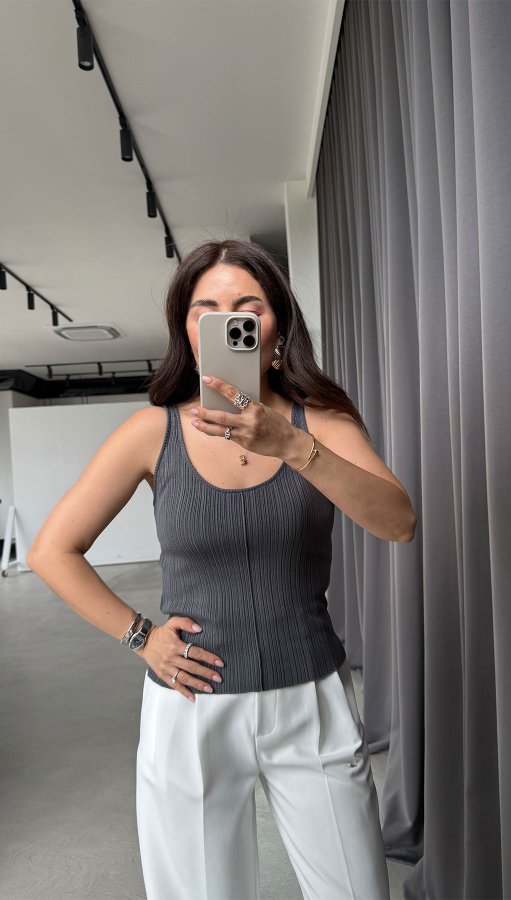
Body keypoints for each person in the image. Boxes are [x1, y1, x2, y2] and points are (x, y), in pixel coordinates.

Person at [27, 238, 417, 900]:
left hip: (310, 698)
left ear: (277, 327)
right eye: (205, 308)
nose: (226, 319)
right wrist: (141, 637)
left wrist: (293, 447)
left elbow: (398, 522)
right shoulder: (151, 432)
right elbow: (51, 551)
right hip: (190, 706)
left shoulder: (321, 423)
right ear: (187, 330)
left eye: (247, 306)